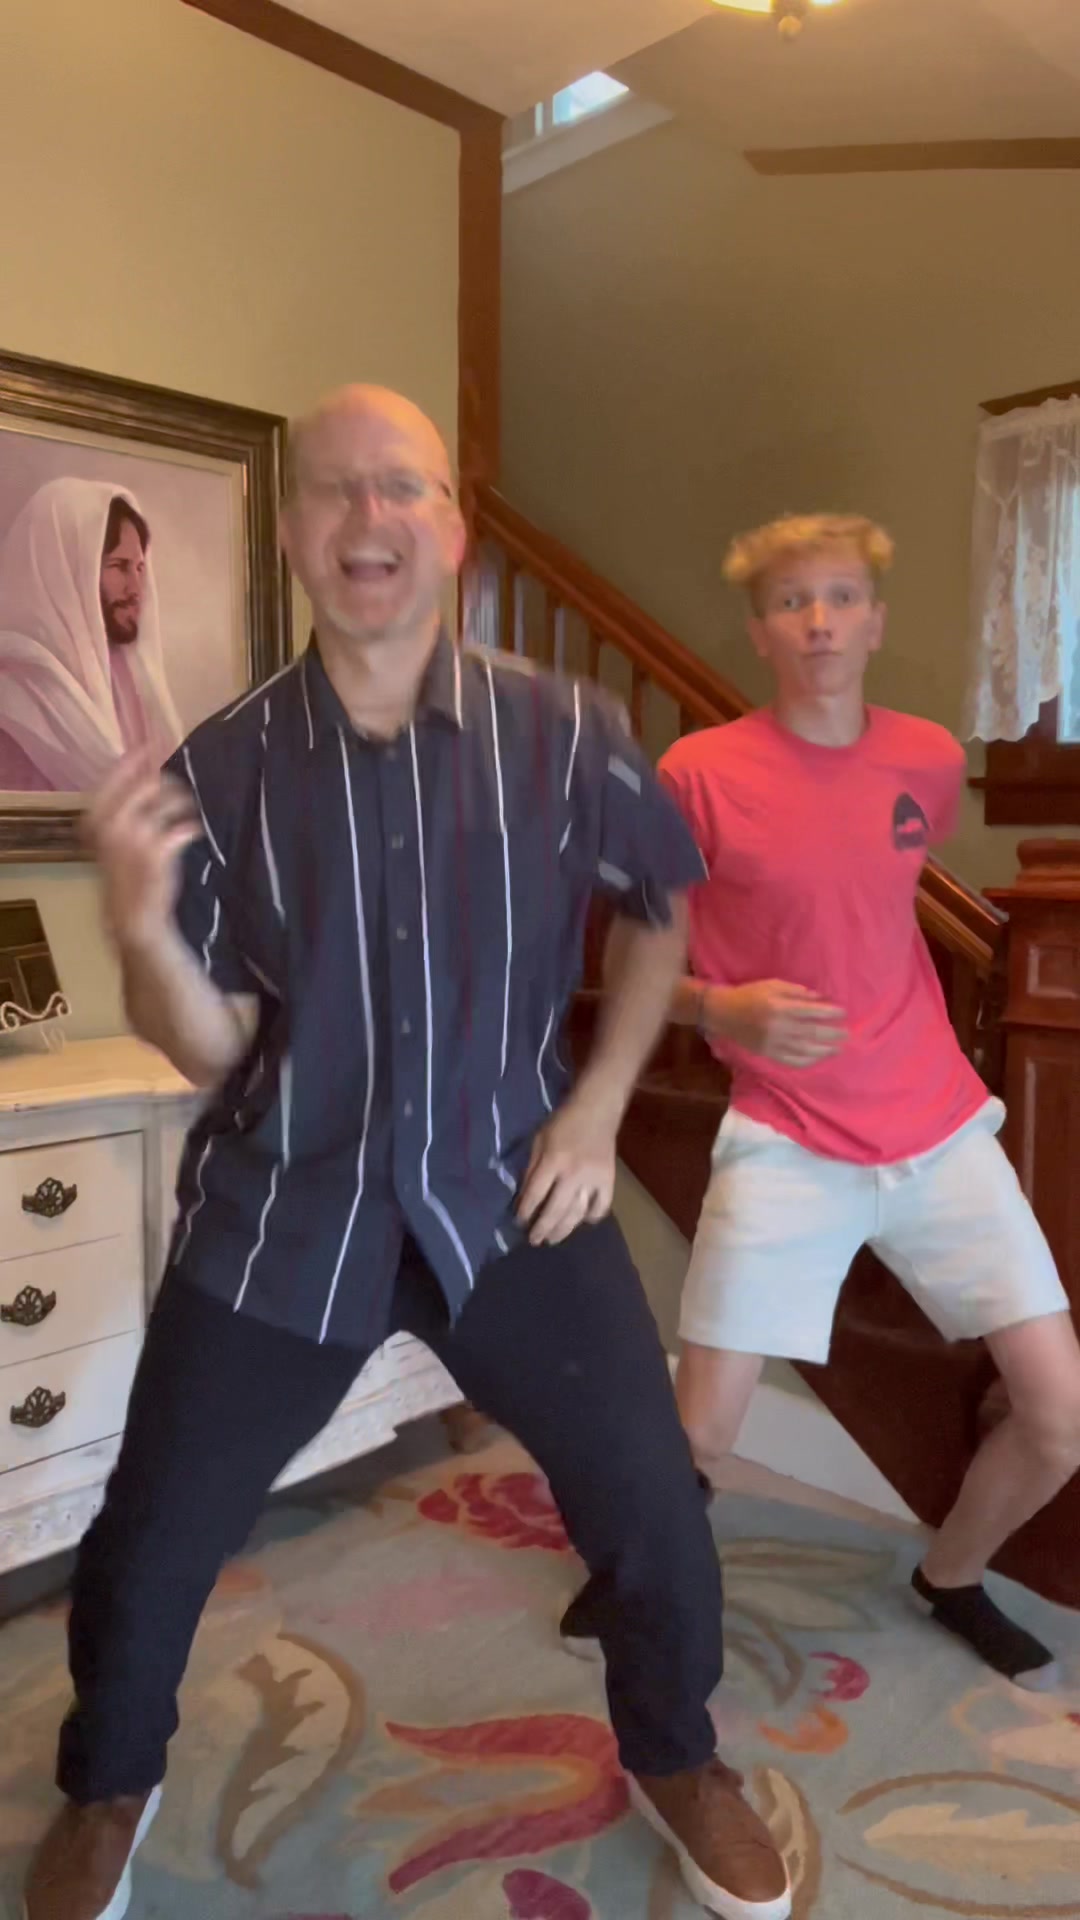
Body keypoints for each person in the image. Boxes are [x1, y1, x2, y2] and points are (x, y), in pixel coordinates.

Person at [23, 389, 793, 1920]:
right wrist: (135, 929)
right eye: (334, 492)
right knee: (149, 1541)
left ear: (449, 528)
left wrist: (598, 1108)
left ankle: (679, 1752)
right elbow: (208, 1046)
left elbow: (659, 911)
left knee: (653, 1508)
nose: (368, 520)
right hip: (284, 1208)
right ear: (293, 531)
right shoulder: (221, 768)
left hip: (514, 1199)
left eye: (402, 489)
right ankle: (109, 1780)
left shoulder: (566, 731)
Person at [563, 513, 1080, 1688]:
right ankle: (643, 1567)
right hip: (786, 1139)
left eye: (842, 597)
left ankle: (950, 1577)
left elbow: (875, 902)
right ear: (761, 630)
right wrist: (722, 1008)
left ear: (875, 620)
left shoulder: (926, 762)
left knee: (1059, 1416)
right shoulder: (698, 776)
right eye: (793, 601)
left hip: (940, 1129)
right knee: (702, 1428)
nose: (820, 621)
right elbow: (630, 955)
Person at [0, 477, 182, 793]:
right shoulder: (12, 698)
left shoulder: (129, 682)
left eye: (139, 568)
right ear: (66, 569)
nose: (136, 589)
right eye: (119, 566)